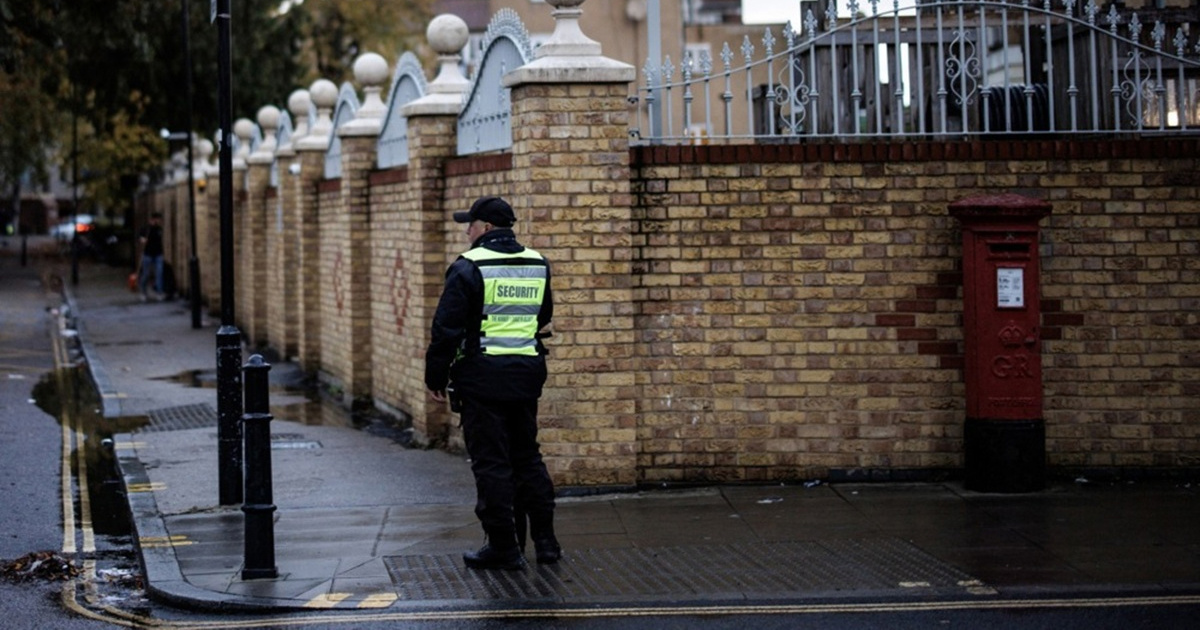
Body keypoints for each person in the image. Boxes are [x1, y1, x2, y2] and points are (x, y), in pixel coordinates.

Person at [425, 196, 561, 571]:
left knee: (492, 463)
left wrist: (435, 376)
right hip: (527, 373)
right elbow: (542, 314)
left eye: (470, 223)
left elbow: (446, 329)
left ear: (485, 228)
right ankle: (546, 543)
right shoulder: (537, 263)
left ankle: (503, 546)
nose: (467, 230)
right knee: (527, 456)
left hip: (482, 377)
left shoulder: (469, 266)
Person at [138, 212, 165, 301]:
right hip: (148, 254)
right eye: (158, 219)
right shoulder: (146, 229)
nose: (159, 221)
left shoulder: (159, 229)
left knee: (159, 273)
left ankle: (159, 292)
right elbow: (140, 238)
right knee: (146, 274)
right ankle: (143, 292)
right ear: (153, 219)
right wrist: (142, 240)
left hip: (158, 254)